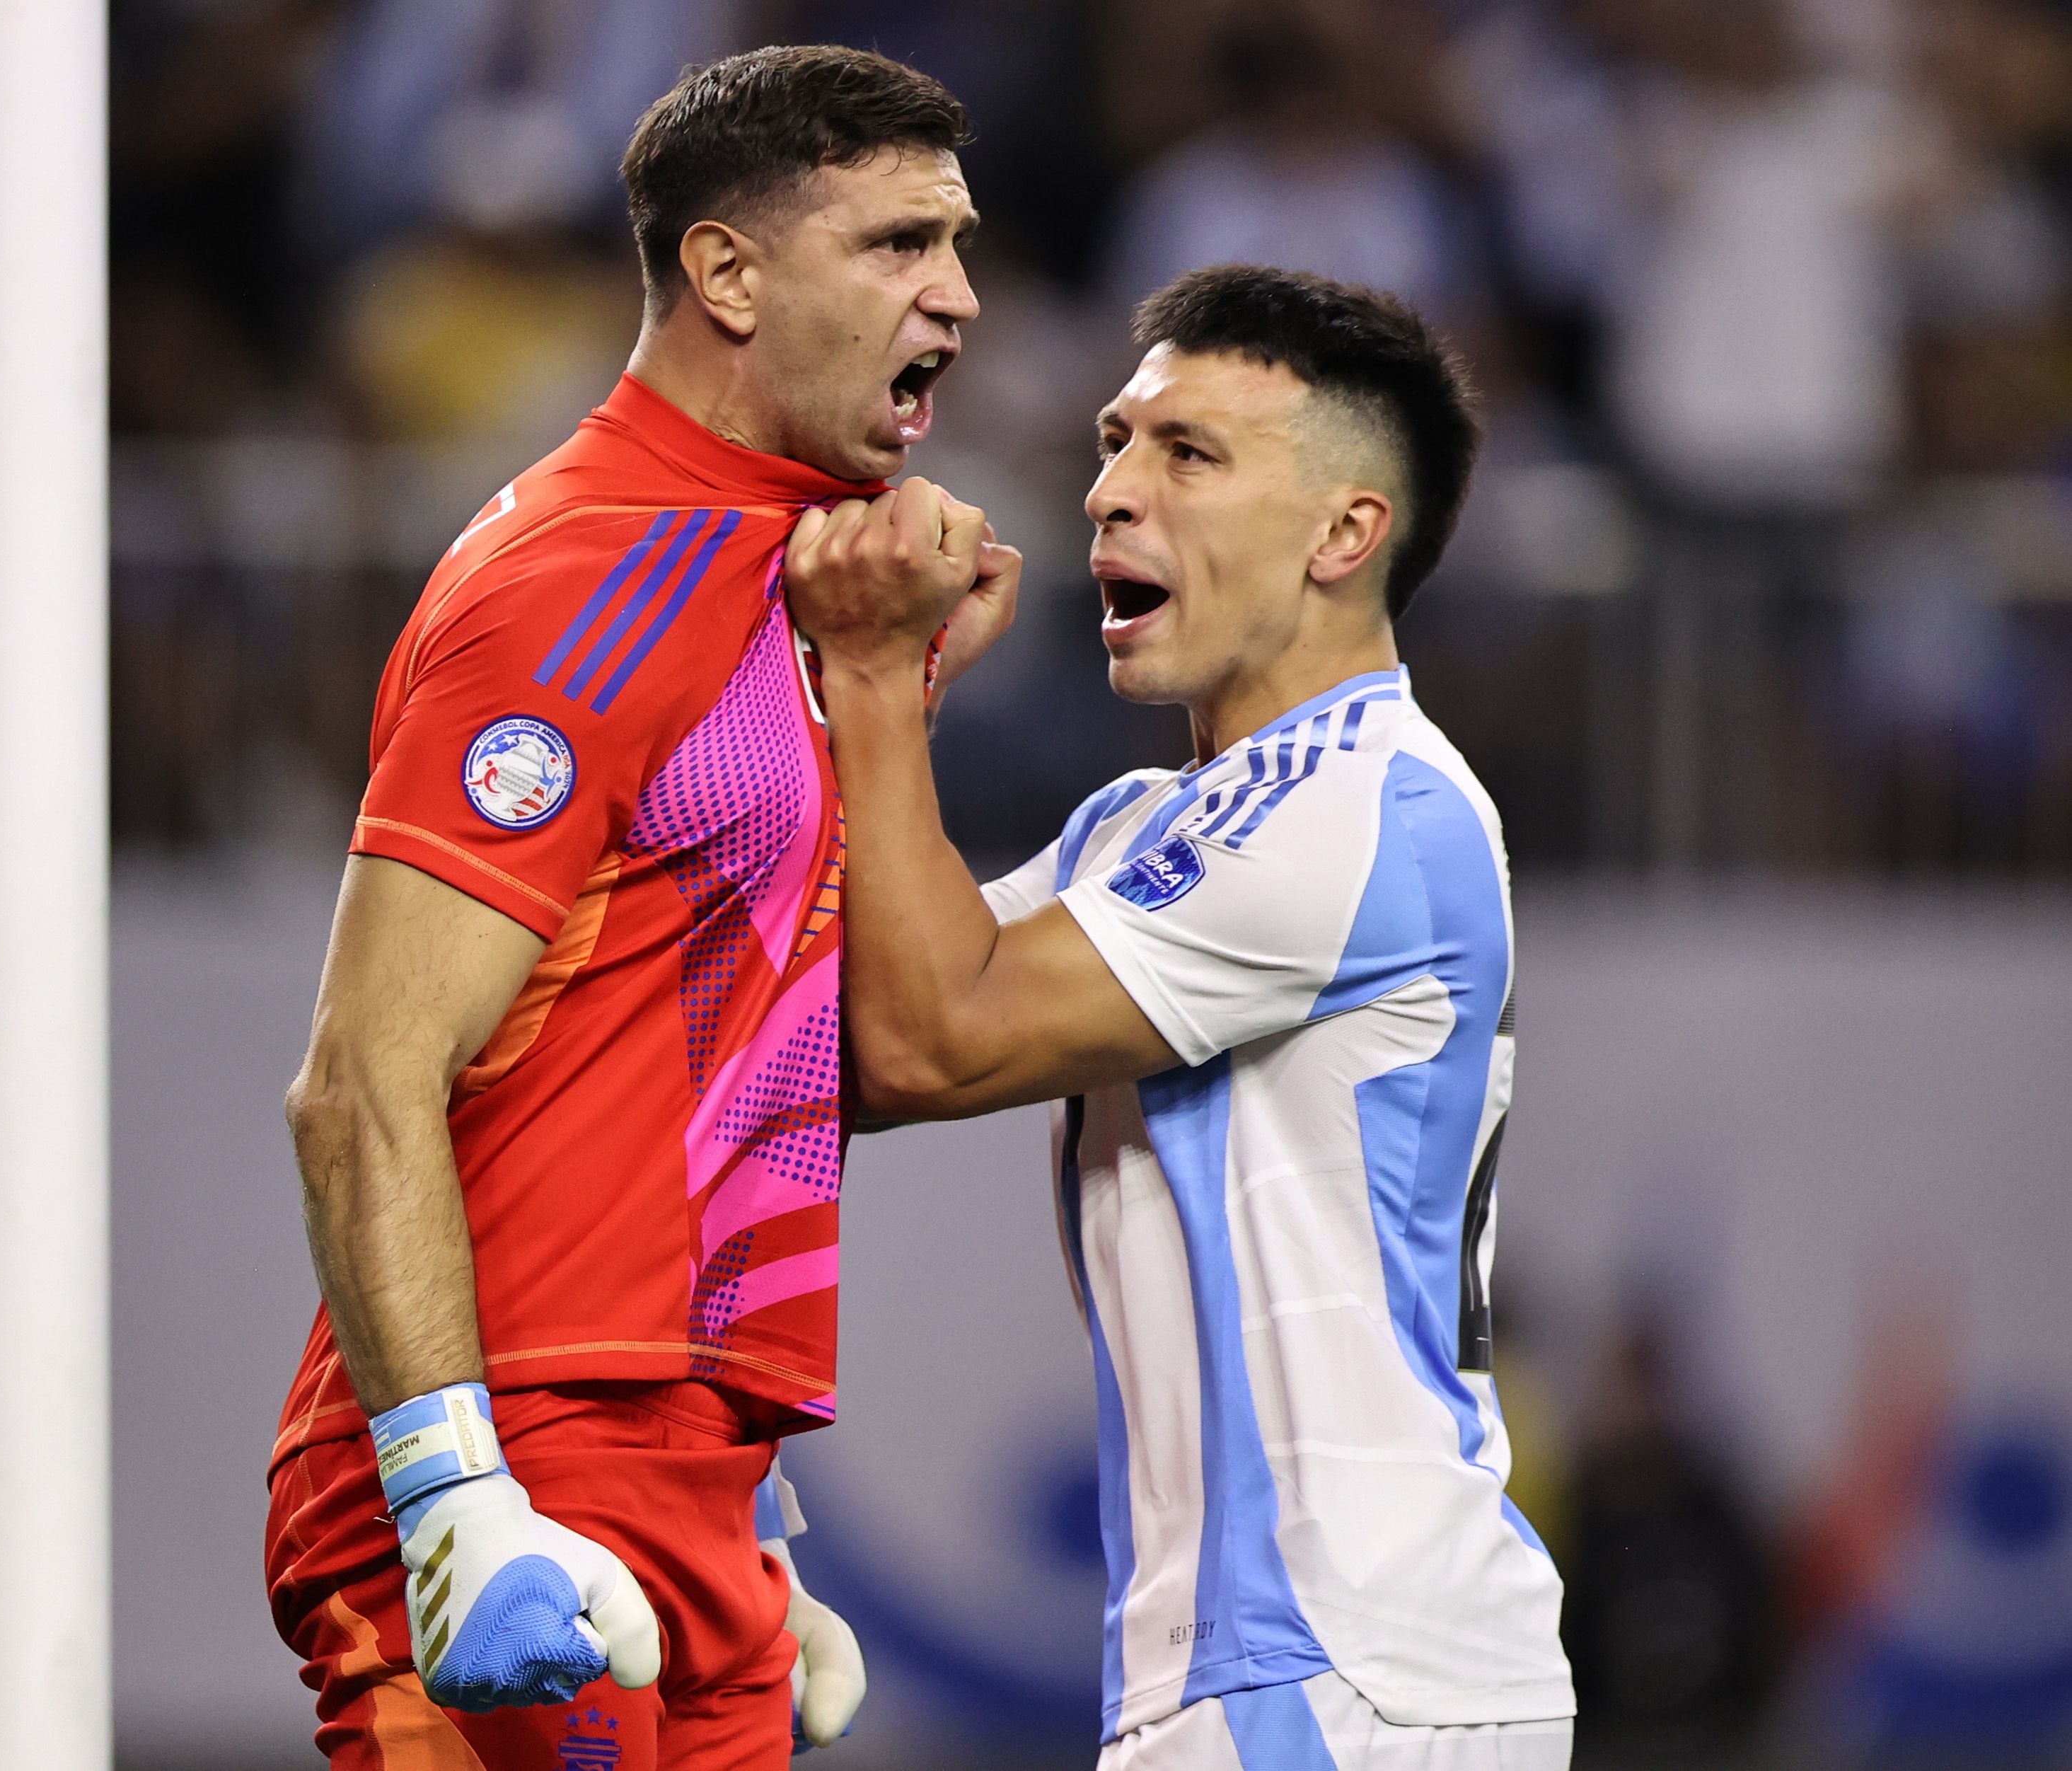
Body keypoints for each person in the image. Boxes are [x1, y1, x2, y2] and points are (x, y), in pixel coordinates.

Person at [264, 45, 992, 1771]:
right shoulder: (584, 576)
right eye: (896, 245)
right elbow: (360, 1080)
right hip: (516, 1455)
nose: (956, 298)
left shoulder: (799, 586)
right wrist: (455, 1501)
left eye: (959, 246)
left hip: (691, 1473)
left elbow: (730, 1054)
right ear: (727, 273)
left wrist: (748, 1494)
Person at [782, 265, 1576, 1769]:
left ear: (1348, 532)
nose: (1109, 492)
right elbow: (833, 1032)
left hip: (1347, 1670)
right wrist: (889, 702)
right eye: (1113, 439)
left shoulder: (1360, 802)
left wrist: (876, 678)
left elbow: (927, 1042)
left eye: (1187, 453)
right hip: (1274, 1668)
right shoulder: (1149, 822)